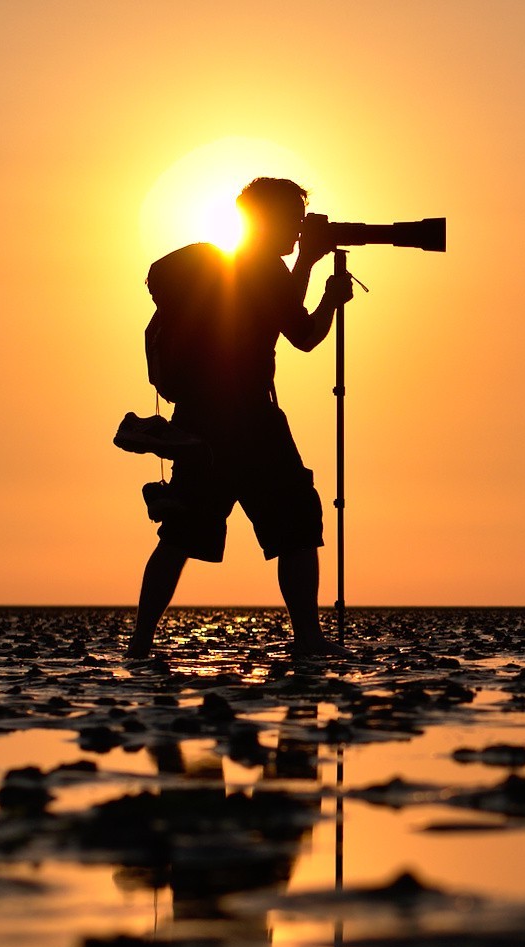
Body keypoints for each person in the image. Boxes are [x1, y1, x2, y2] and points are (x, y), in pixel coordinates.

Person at [126, 177, 353, 659]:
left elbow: (276, 314)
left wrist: (305, 263)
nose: (298, 228)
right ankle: (309, 640)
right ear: (268, 218)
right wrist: (331, 298)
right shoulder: (263, 270)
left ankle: (140, 643)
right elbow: (304, 333)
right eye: (292, 218)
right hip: (251, 421)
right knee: (295, 524)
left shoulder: (234, 266)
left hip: (200, 423)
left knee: (180, 534)